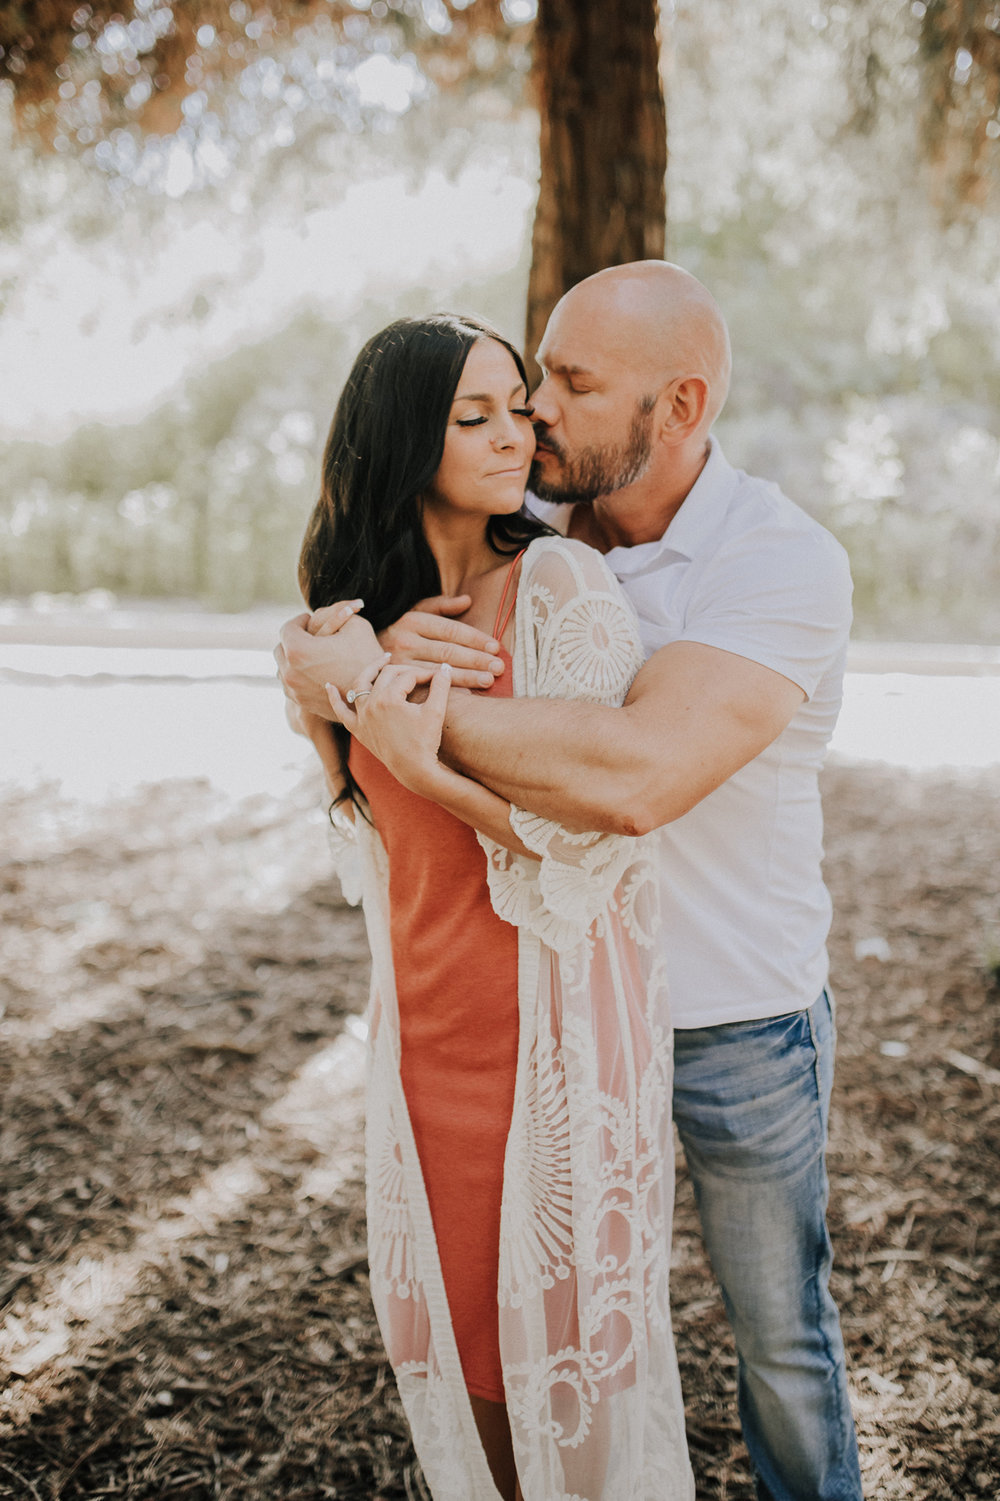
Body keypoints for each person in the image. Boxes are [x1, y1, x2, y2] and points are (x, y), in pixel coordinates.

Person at [276, 263, 865, 1501]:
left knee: (779, 1350)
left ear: (681, 405)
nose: (536, 412)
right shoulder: (539, 534)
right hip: (562, 1015)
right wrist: (331, 655)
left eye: (571, 385)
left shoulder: (776, 561)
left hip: (727, 1014)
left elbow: (633, 778)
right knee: (548, 1335)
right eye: (529, 376)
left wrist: (372, 693)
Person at [286, 312, 694, 1501]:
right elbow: (360, 831)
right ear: (401, 438)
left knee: (557, 1391)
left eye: (517, 407)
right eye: (475, 416)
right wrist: (337, 671)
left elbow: (590, 852)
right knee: (466, 1366)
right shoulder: (360, 613)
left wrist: (426, 764)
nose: (514, 433)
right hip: (421, 1054)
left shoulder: (560, 583)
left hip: (544, 1057)